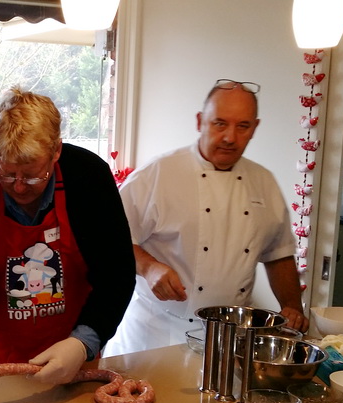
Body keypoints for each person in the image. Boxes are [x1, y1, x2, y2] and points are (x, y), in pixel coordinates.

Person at [0, 87, 136, 393]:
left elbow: (117, 274)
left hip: (76, 356)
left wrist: (82, 342)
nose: (19, 187)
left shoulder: (89, 179)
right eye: (7, 174)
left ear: (56, 151)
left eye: (33, 175)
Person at [102, 79, 309, 357]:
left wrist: (293, 307)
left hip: (231, 339)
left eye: (242, 126)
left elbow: (278, 254)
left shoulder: (264, 182)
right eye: (219, 123)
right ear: (200, 121)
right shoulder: (158, 174)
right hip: (157, 336)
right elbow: (111, 239)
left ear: (254, 129)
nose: (230, 137)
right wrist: (150, 267)